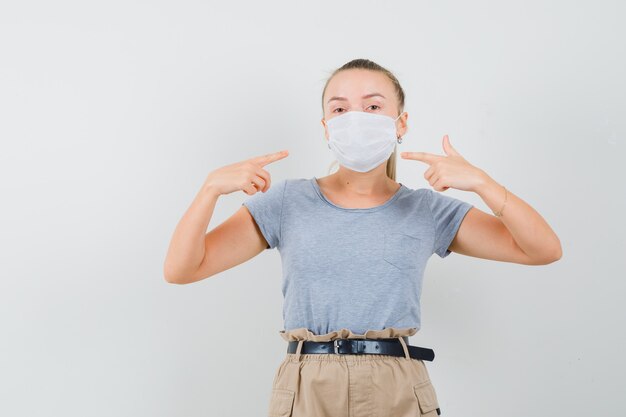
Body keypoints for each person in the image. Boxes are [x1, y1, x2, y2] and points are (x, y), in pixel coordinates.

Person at [163, 58, 563, 417]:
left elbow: (543, 249)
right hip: (307, 385)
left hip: (397, 384)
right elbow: (182, 269)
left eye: (373, 106)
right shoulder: (286, 202)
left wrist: (483, 183)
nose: (356, 118)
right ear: (326, 126)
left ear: (401, 122)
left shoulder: (427, 210)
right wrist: (209, 190)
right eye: (339, 108)